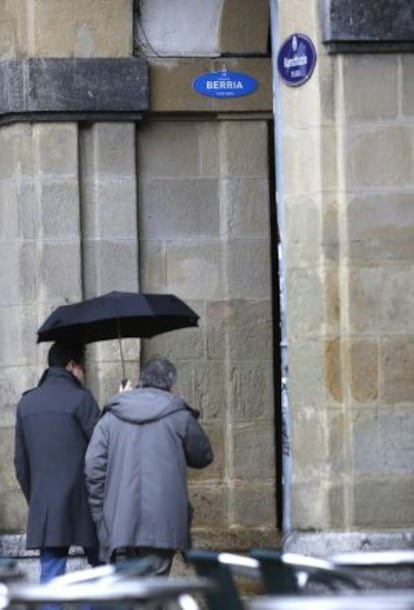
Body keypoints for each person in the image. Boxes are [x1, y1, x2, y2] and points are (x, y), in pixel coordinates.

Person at [84, 356, 213, 574]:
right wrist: (183, 412)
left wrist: (102, 518)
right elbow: (203, 456)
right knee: (155, 596)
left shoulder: (112, 415)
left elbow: (92, 468)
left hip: (120, 527)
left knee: (126, 600)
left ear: (142, 381)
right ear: (171, 385)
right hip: (163, 528)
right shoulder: (179, 415)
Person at [14, 341, 101, 584]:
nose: (83, 373)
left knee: (51, 577)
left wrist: (38, 499)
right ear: (72, 365)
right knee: (101, 573)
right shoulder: (82, 400)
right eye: (83, 367)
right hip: (86, 505)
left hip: (46, 508)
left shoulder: (26, 404)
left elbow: (21, 465)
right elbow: (102, 454)